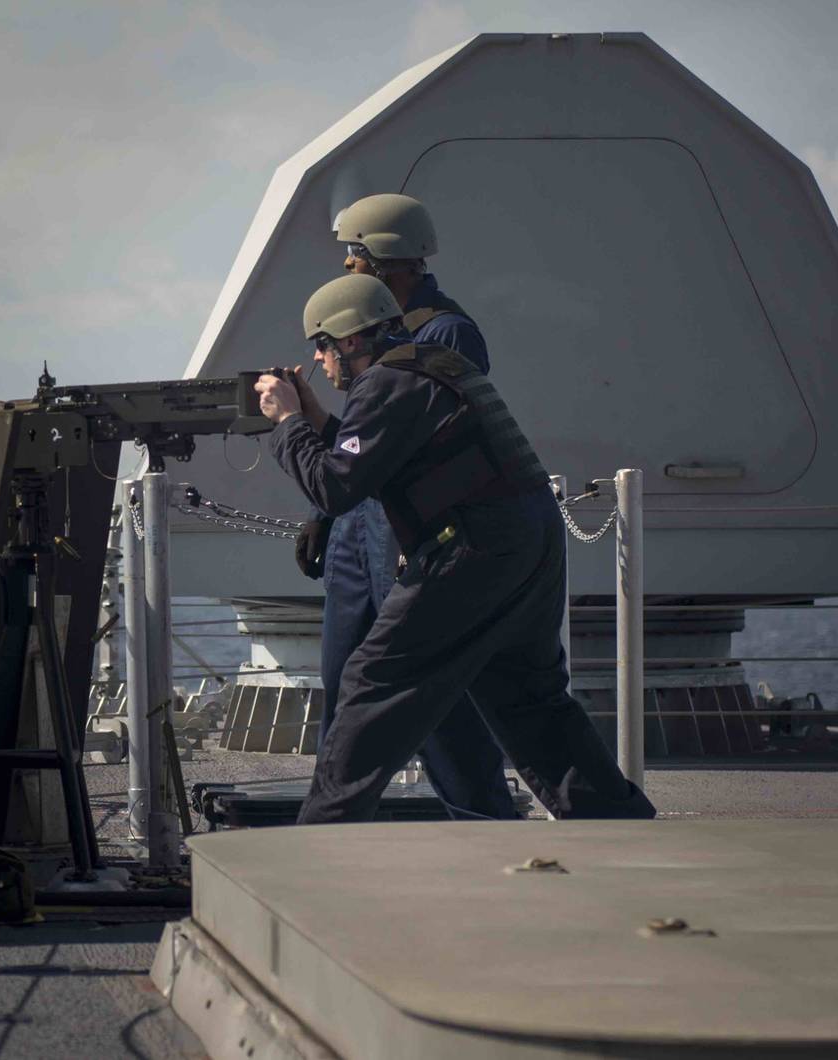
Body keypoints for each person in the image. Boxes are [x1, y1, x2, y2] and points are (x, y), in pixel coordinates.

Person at [255, 273, 655, 823]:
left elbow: (335, 487)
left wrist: (286, 423)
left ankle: (321, 835)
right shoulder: (426, 366)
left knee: (372, 680)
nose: (319, 362)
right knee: (528, 696)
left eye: (321, 345)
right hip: (528, 539)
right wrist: (315, 420)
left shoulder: (387, 383)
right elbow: (370, 454)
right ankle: (616, 822)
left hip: (473, 548)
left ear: (349, 340)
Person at [294, 192, 519, 820]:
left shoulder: (446, 332)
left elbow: (422, 439)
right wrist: (328, 505)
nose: (346, 267)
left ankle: (480, 822)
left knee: (434, 696)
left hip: (405, 528)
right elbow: (370, 435)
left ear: (383, 258)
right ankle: (332, 828)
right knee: (344, 690)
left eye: (354, 255)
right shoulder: (371, 329)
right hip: (358, 522)